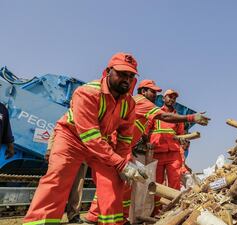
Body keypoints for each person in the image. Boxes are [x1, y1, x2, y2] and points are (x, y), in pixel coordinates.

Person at [23, 52, 146, 225]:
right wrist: (120, 163)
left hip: (101, 142)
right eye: (122, 74)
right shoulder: (87, 93)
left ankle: (110, 222)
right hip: (71, 138)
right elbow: (89, 135)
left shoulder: (129, 104)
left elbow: (125, 140)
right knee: (58, 178)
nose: (126, 79)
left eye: (131, 75)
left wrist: (125, 164)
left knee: (113, 181)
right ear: (107, 71)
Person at [85, 81, 210, 223]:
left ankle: (104, 216)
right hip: (128, 148)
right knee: (125, 183)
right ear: (143, 91)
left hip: (143, 149)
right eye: (154, 92)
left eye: (174, 97)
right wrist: (191, 117)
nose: (155, 95)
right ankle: (114, 217)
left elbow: (170, 133)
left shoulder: (151, 109)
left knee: (122, 182)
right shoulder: (147, 105)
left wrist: (182, 141)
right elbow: (158, 121)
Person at [45, 132, 87, 224]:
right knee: (58, 185)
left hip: (81, 157)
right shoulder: (67, 118)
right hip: (64, 154)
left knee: (77, 188)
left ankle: (74, 215)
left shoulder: (92, 120)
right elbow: (55, 132)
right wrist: (49, 149)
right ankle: (50, 216)